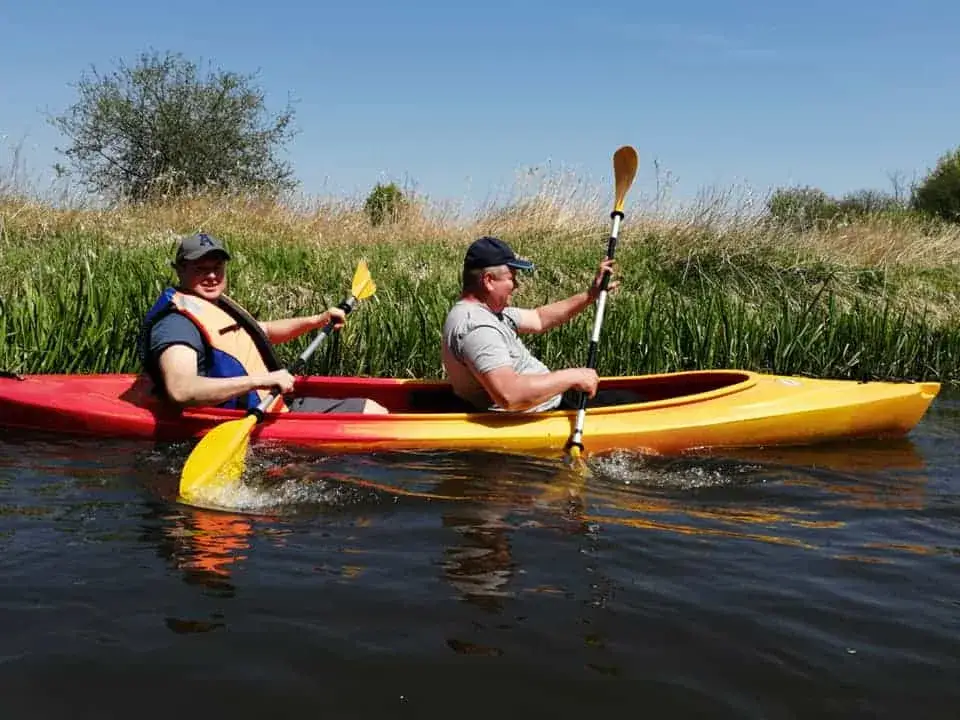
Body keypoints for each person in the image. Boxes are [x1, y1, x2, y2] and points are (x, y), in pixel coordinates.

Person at [138, 232, 388, 414]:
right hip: (244, 416)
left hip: (268, 404)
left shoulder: (211, 304)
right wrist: (262, 381)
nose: (212, 276)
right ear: (179, 270)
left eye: (218, 267)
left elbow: (261, 332)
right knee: (373, 413)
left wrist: (316, 320)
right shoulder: (176, 324)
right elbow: (181, 389)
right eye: (201, 269)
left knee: (371, 408)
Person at [441, 235, 618, 412]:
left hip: (552, 400)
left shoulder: (491, 313)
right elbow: (510, 396)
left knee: (626, 397)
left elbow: (539, 318)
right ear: (489, 281)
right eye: (512, 278)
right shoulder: (477, 327)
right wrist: (573, 376)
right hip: (546, 413)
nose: (516, 285)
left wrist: (591, 294)